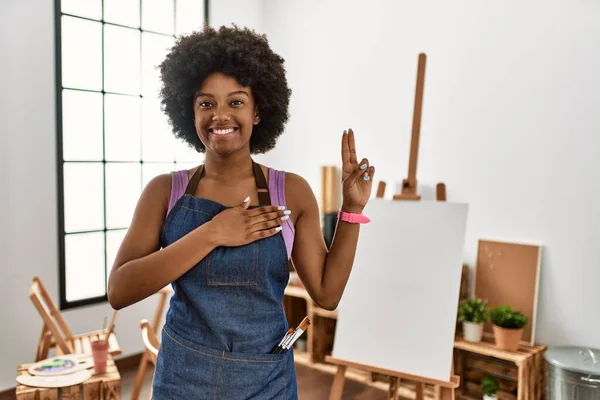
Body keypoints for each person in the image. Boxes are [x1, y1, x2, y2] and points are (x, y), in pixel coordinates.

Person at [107, 24, 375, 399]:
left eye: (235, 102)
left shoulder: (291, 192)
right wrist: (213, 232)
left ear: (258, 111)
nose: (220, 115)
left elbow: (327, 295)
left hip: (265, 381)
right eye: (206, 103)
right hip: (183, 378)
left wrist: (351, 209)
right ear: (189, 110)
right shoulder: (164, 192)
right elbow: (119, 290)